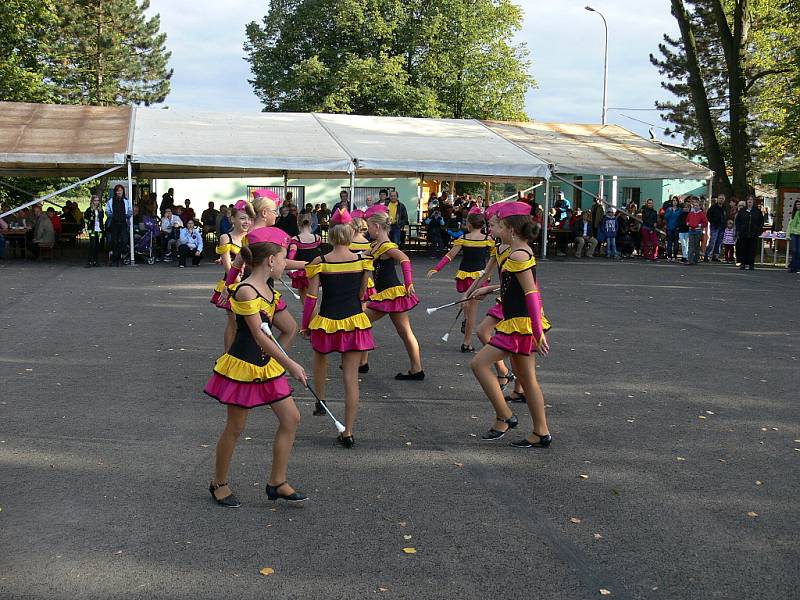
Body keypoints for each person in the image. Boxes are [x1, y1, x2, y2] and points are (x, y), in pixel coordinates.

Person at [204, 229, 308, 507]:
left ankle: (277, 482)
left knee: (291, 419)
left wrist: (276, 357)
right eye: (284, 259)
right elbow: (260, 335)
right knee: (235, 428)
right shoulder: (245, 290)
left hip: (266, 367)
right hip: (242, 367)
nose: (286, 264)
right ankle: (218, 483)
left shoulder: (269, 291)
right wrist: (289, 363)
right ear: (271, 261)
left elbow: (289, 328)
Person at [466, 202, 551, 447]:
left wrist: (537, 331)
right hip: (516, 321)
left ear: (511, 230)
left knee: (479, 363)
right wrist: (487, 288)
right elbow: (512, 285)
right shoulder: (515, 251)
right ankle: (540, 432)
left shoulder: (519, 254)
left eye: (498, 226)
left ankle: (505, 415)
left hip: (521, 324)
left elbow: (531, 293)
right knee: (528, 379)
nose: (493, 229)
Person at [301, 207, 375, 448]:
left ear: (330, 235)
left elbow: (311, 298)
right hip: (354, 320)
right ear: (351, 233)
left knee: (320, 358)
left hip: (327, 319)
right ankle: (348, 431)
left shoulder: (320, 262)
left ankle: (320, 400)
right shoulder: (363, 261)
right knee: (350, 378)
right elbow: (363, 294)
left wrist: (305, 325)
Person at [364, 204, 424, 380]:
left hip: (392, 294)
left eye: (368, 227)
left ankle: (361, 362)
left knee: (361, 321)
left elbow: (404, 259)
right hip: (385, 294)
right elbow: (359, 257)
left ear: (376, 226)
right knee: (404, 332)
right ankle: (416, 369)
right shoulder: (376, 245)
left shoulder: (387, 247)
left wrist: (409, 283)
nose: (368, 230)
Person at [427, 207, 494, 352]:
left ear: (468, 225)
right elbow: (498, 259)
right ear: (482, 225)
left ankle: (465, 322)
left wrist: (436, 268)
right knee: (472, 310)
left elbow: (449, 256)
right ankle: (467, 343)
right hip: (480, 276)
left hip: (464, 275)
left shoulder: (463, 239)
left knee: (468, 305)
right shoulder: (487, 240)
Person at [211, 200, 253, 351]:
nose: (246, 221)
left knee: (251, 324)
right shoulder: (225, 238)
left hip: (252, 285)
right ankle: (228, 357)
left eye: (249, 218)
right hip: (233, 285)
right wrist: (240, 285)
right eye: (242, 218)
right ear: (233, 219)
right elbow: (229, 269)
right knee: (234, 323)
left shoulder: (253, 237)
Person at [287, 212, 322, 300]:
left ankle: (307, 314)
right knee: (313, 299)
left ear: (298, 223)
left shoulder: (295, 239)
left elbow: (291, 255)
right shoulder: (317, 238)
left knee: (304, 300)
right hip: (315, 271)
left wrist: (291, 269)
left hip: (301, 273)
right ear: (311, 223)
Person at [734, 195, 764, 270]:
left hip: (753, 234)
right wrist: (739, 229)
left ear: (753, 201)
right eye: (748, 200)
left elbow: (761, 222)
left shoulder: (757, 211)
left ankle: (751, 264)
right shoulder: (742, 211)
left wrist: (758, 230)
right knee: (743, 249)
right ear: (746, 201)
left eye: (751, 200)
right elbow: (737, 221)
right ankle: (743, 264)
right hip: (743, 233)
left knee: (752, 249)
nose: (750, 201)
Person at [106, 184, 132, 267]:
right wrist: (112, 216)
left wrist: (126, 216)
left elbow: (130, 211)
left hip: (123, 223)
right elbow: (107, 211)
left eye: (121, 190)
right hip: (114, 223)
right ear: (115, 192)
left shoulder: (126, 201)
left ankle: (113, 257)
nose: (119, 192)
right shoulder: (111, 201)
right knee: (114, 242)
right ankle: (118, 260)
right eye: (118, 191)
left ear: (123, 191)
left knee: (124, 241)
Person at [84, 195, 105, 267]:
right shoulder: (89, 210)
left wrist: (102, 229)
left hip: (98, 230)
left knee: (97, 245)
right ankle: (89, 261)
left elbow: (101, 219)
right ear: (92, 201)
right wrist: (89, 223)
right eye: (95, 200)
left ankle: (96, 261)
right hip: (92, 229)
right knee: (92, 245)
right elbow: (85, 219)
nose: (96, 202)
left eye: (98, 201)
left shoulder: (101, 210)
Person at [686, 197, 708, 265]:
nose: (695, 207)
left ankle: (695, 260)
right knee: (690, 246)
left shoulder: (701, 214)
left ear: (699, 206)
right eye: (694, 205)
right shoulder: (691, 213)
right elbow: (687, 220)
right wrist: (688, 224)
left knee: (696, 246)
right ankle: (690, 260)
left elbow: (705, 223)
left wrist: (699, 225)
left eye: (697, 205)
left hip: (698, 231)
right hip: (691, 231)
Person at [664, 197, 682, 262]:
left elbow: (681, 219)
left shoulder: (680, 210)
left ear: (677, 202)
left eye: (675, 200)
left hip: (676, 228)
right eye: (673, 200)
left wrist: (679, 226)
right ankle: (669, 256)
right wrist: (671, 211)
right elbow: (666, 217)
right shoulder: (669, 209)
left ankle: (675, 256)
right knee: (669, 242)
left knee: (676, 243)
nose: (674, 202)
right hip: (669, 228)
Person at [787, 199, 800, 273]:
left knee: (799, 251)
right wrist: (788, 234)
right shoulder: (793, 213)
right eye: (797, 204)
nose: (798, 206)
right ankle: (793, 267)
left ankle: (797, 267)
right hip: (793, 233)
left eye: (799, 204)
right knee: (794, 251)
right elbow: (790, 225)